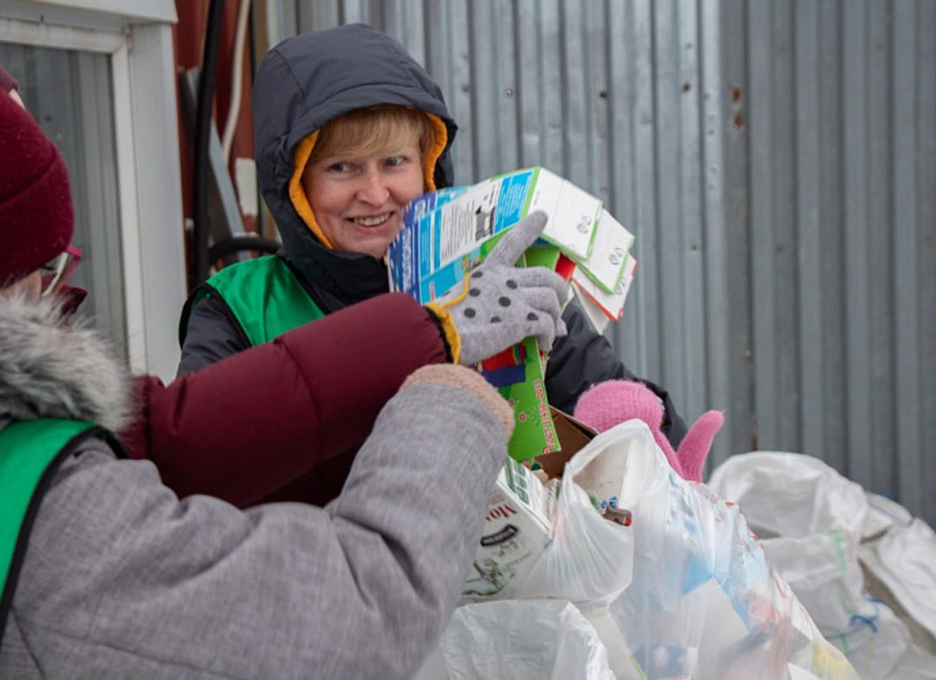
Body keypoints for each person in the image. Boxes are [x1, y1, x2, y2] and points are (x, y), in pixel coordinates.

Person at [0, 41, 565, 679]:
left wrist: (437, 331)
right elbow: (350, 619)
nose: (375, 193)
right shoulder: (42, 519)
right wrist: (446, 397)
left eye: (394, 161)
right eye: (47, 267)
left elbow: (166, 432)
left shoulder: (480, 267)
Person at [178, 23, 690, 500]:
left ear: (429, 164)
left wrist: (648, 444)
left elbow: (612, 402)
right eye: (342, 167)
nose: (375, 194)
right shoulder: (239, 310)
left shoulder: (494, 276)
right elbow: (199, 465)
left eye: (394, 162)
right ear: (293, 186)